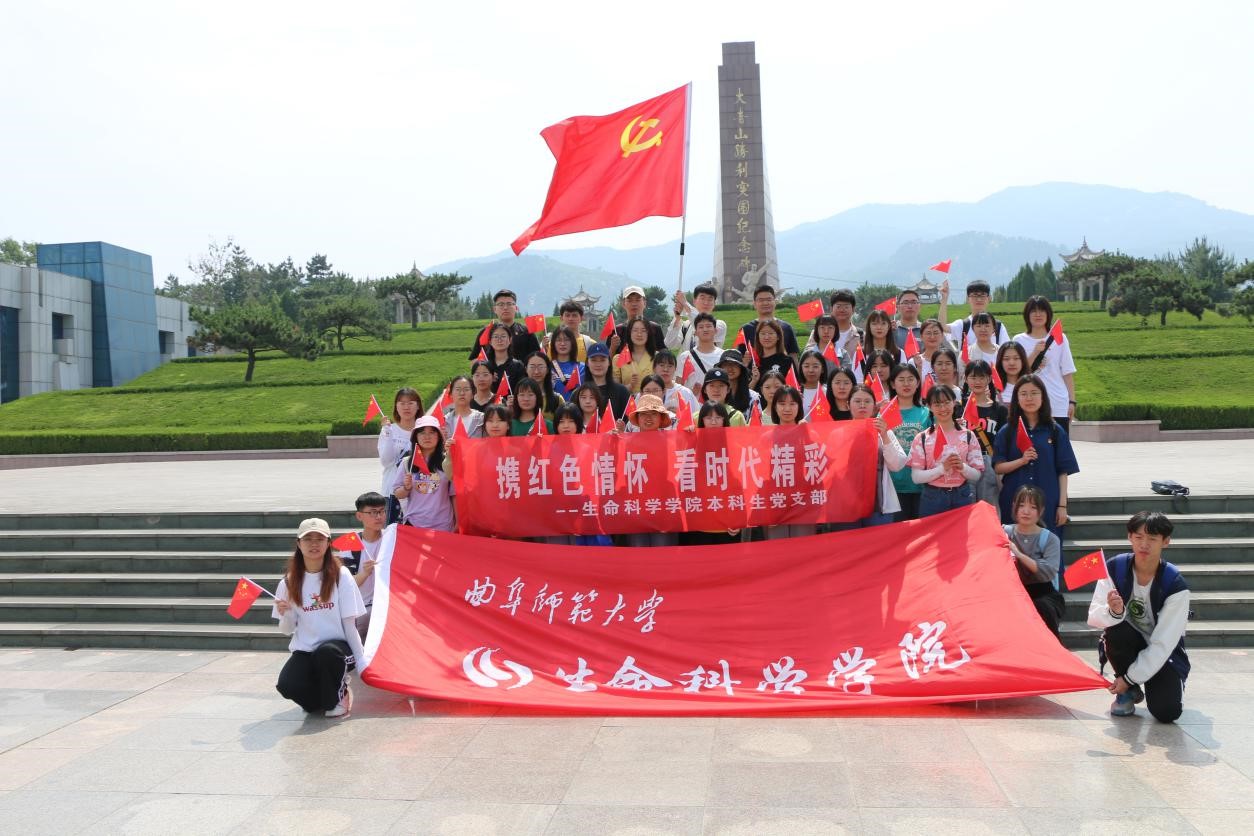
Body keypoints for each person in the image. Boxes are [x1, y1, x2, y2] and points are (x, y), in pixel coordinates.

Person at [1088, 511, 1190, 722]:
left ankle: (1132, 682)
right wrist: (1114, 612)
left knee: (1167, 712)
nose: (1144, 544)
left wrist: (1129, 677)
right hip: (1127, 642)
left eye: (1152, 539)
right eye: (1138, 537)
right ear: (1129, 537)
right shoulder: (1115, 568)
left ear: (1166, 542)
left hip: (1161, 651)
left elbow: (1163, 643)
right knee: (1117, 630)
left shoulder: (1175, 584)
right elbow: (1094, 617)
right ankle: (1128, 692)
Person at [274, 518, 366, 719]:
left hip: (338, 650)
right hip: (306, 650)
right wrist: (286, 613)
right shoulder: (288, 582)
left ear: (328, 543)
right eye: (308, 539)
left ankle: (340, 695)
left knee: (327, 653)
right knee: (287, 686)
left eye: (319, 539)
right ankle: (324, 698)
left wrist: (361, 661)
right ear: (299, 544)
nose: (314, 544)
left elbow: (349, 625)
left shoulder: (341, 575)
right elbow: (287, 630)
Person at [992, 373, 1079, 540]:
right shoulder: (1008, 430)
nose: (1029, 398)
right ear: (1017, 398)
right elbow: (998, 467)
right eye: (1023, 394)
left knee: (1048, 546)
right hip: (1014, 501)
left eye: (1034, 393)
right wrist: (1021, 461)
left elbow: (1063, 471)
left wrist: (1062, 506)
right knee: (1014, 548)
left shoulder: (1055, 430)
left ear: (1043, 397)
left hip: (1048, 501)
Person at [908, 386, 984, 518]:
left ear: (954, 402)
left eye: (946, 402)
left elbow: (977, 475)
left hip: (962, 495)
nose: (943, 408)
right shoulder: (922, 438)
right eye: (937, 404)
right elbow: (916, 477)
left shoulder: (968, 435)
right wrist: (942, 469)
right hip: (933, 498)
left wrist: (962, 467)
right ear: (929, 407)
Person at [839, 384, 907, 527]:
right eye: (857, 401)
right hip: (847, 502)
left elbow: (897, 465)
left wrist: (885, 437)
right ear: (848, 404)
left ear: (874, 406)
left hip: (879, 503)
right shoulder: (838, 433)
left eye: (867, 401)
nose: (862, 405)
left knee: (879, 541)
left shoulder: (884, 431)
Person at [1005, 485, 1066, 640]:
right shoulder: (1003, 532)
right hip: (1011, 592)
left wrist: (1019, 554)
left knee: (1040, 608)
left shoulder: (1050, 539)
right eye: (1021, 505)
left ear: (1041, 511)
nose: (1026, 511)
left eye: (1033, 507)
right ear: (1014, 507)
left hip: (1043, 592)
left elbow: (1048, 572)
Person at [1015, 295, 1077, 432]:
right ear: (1027, 315)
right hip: (1029, 403)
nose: (1038, 314)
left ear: (1048, 314)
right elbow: (1018, 373)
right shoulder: (1019, 340)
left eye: (1042, 310)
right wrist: (1035, 353)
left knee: (1059, 443)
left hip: (1057, 403)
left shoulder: (1060, 338)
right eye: (1033, 311)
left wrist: (1072, 401)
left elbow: (1067, 372)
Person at [624, 395, 678, 547]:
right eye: (644, 414)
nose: (648, 418)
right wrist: (609, 443)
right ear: (638, 418)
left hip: (664, 506)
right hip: (637, 507)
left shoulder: (672, 442)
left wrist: (689, 435)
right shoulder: (626, 443)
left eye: (654, 414)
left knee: (663, 552)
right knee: (639, 552)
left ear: (661, 418)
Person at [339, 492, 388, 640]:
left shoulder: (391, 538)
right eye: (373, 512)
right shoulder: (350, 542)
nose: (379, 516)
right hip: (360, 609)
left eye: (382, 511)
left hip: (386, 608)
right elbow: (346, 584)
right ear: (359, 516)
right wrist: (365, 573)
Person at [394, 415, 456, 532]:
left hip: (443, 525)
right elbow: (398, 493)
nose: (427, 437)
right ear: (415, 437)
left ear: (439, 436)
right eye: (422, 432)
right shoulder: (407, 462)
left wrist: (457, 522)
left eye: (432, 432)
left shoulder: (447, 462)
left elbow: (454, 494)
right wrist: (406, 488)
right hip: (414, 524)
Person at [962, 360, 1007, 506]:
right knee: (967, 509)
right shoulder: (958, 408)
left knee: (988, 508)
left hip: (988, 461)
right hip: (965, 462)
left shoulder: (999, 410)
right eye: (973, 377)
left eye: (982, 377)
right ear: (965, 378)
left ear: (989, 379)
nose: (977, 382)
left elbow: (1003, 443)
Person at [887, 364, 928, 519]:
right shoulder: (884, 414)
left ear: (917, 383)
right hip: (893, 486)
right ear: (892, 384)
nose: (906, 384)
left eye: (911, 379)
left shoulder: (927, 413)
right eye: (901, 379)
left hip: (922, 484)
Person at [378, 387, 422, 524]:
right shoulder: (389, 430)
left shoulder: (425, 431)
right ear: (396, 407)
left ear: (418, 406)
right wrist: (388, 432)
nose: (406, 407)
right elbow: (386, 461)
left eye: (410, 403)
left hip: (418, 492)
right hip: (391, 492)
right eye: (402, 403)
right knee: (392, 533)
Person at [468, 289, 541, 361]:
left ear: (516, 308)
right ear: (495, 309)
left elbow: (537, 358)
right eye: (501, 304)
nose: (505, 308)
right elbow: (474, 360)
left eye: (509, 304)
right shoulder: (486, 332)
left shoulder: (526, 332)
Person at [737, 284, 801, 362]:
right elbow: (740, 357)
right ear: (754, 304)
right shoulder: (745, 329)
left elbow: (793, 356)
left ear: (775, 302)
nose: (765, 303)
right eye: (761, 300)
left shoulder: (786, 327)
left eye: (769, 299)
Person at [945, 280, 1010, 347]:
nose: (979, 299)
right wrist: (944, 298)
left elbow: (1007, 349)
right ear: (967, 299)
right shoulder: (963, 325)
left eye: (983, 295)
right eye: (975, 295)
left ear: (989, 298)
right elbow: (942, 327)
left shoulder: (998, 326)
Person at [666, 282, 727, 351]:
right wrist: (677, 318)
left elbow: (700, 322)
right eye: (702, 298)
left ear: (714, 303)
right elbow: (669, 344)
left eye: (710, 299)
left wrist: (685, 303)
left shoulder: (719, 325)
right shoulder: (686, 325)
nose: (706, 303)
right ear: (694, 301)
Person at [674, 313, 724, 391]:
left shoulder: (723, 356)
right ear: (696, 332)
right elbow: (679, 386)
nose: (705, 329)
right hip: (693, 399)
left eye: (708, 326)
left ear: (715, 330)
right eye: (701, 327)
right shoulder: (685, 357)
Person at [609, 286, 665, 354]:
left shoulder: (654, 328)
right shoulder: (617, 331)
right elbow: (605, 359)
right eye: (629, 300)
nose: (634, 304)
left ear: (644, 303)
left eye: (638, 300)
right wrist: (612, 348)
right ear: (623, 304)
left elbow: (663, 356)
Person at [584, 342, 630, 421]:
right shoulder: (579, 392)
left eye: (602, 360)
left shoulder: (622, 392)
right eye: (594, 360)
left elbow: (629, 421)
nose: (598, 364)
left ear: (609, 362)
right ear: (587, 363)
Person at [849, 309, 906, 373]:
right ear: (869, 327)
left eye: (883, 323)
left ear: (889, 326)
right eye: (874, 324)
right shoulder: (860, 354)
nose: (879, 327)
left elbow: (904, 376)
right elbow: (857, 378)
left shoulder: (899, 353)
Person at [614, 315, 659, 393]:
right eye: (635, 330)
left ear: (648, 333)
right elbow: (615, 391)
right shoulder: (618, 358)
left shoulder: (657, 357)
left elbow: (663, 385)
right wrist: (630, 386)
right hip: (628, 400)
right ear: (629, 333)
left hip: (651, 399)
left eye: (643, 330)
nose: (639, 334)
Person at [652, 349, 699, 417]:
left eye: (670, 366)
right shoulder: (647, 391)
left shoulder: (685, 392)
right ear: (654, 368)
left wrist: (682, 415)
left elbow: (696, 418)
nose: (665, 369)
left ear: (675, 369)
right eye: (662, 365)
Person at [715, 350, 761, 418]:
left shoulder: (753, 397)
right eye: (726, 364)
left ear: (741, 368)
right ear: (720, 368)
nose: (730, 368)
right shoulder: (715, 394)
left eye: (735, 364)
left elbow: (757, 421)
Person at [483, 322, 526, 393]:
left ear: (510, 340)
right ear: (490, 342)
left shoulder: (518, 366)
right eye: (496, 337)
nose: (499, 340)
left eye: (503, 336)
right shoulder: (485, 367)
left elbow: (522, 391)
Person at [523, 351, 564, 417]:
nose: (536, 372)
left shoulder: (557, 399)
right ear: (526, 369)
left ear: (547, 369)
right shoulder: (519, 398)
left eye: (540, 367)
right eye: (532, 367)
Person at [442, 375, 484, 439]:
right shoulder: (444, 421)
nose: (462, 393)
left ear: (473, 394)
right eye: (457, 389)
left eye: (466, 389)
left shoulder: (482, 419)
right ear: (451, 394)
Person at [546, 326, 585, 393]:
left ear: (572, 342)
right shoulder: (547, 367)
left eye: (566, 340)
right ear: (553, 343)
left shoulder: (582, 368)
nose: (562, 344)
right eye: (559, 340)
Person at [995, 341, 1029, 405]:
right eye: (1006, 359)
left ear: (1023, 360)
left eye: (1016, 358)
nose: (1011, 363)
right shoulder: (992, 387)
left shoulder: (1032, 385)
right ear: (1000, 362)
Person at [797, 349, 828, 416]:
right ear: (801, 368)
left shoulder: (828, 392)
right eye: (806, 366)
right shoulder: (796, 392)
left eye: (815, 366)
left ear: (822, 369)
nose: (811, 370)